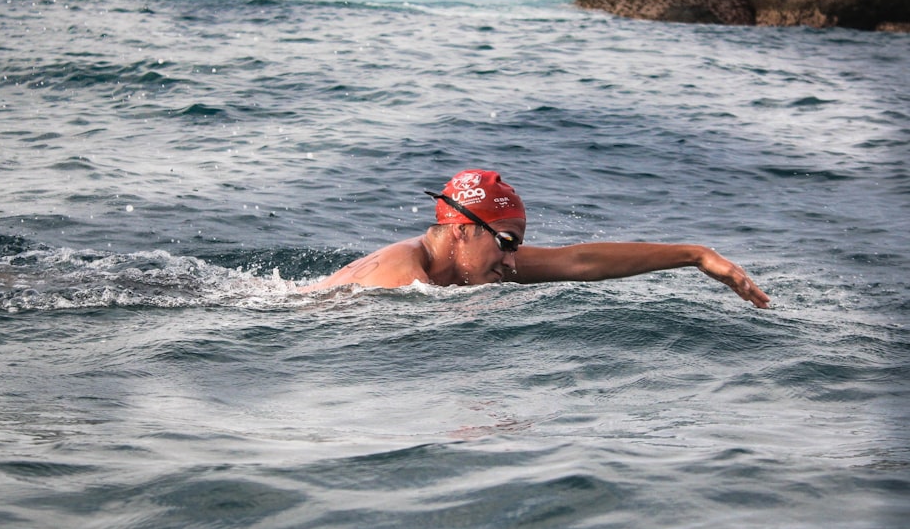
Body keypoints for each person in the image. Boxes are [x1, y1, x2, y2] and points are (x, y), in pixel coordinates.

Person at [302, 169, 770, 308]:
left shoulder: (470, 263)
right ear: (464, 231)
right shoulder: (400, 279)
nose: (513, 259)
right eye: (507, 242)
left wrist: (695, 255)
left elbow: (579, 262)